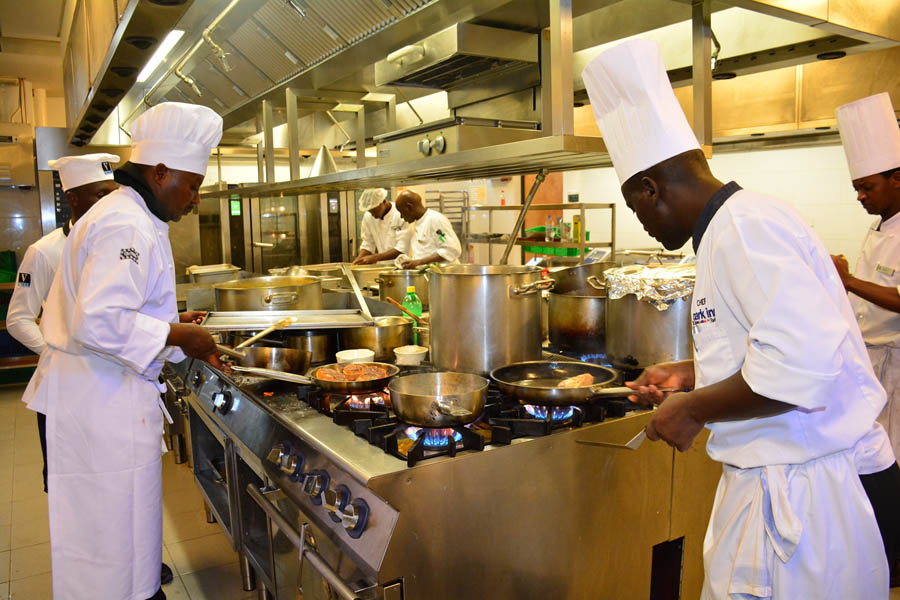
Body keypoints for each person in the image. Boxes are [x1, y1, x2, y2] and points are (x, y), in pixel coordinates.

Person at [583, 39, 890, 599]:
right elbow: (769, 348)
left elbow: (799, 370)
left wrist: (692, 408)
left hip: (801, 508)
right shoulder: (730, 229)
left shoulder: (745, 227)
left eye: (636, 208)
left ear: (652, 188)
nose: (644, 225)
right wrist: (691, 373)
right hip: (774, 490)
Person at [21, 101, 224, 600]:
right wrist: (179, 337)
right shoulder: (126, 224)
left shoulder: (131, 214)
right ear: (159, 172)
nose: (194, 200)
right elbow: (99, 322)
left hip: (106, 397)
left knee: (123, 533)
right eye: (192, 185)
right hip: (100, 403)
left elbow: (120, 311)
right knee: (106, 541)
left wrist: (171, 327)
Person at [7, 153, 119, 492]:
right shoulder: (44, 252)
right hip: (64, 387)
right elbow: (18, 319)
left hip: (110, 382)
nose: (111, 201)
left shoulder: (115, 244)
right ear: (73, 198)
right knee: (69, 483)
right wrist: (56, 352)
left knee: (112, 477)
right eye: (101, 194)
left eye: (113, 193)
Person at [831, 91, 900, 586]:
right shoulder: (881, 228)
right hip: (874, 366)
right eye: (856, 188)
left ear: (898, 178)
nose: (860, 196)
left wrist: (847, 280)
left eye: (867, 186)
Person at [393, 189, 461, 268]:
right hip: (429, 275)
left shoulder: (436, 220)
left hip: (444, 276)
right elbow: (426, 251)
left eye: (402, 212)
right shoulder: (417, 223)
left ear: (409, 207)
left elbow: (452, 250)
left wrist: (420, 262)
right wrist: (412, 261)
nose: (401, 216)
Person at [351, 188, 409, 265]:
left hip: (404, 266)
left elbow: (402, 248)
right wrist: (358, 260)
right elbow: (368, 243)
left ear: (383, 201)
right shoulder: (368, 217)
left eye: (374, 210)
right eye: (370, 211)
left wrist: (375, 257)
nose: (373, 215)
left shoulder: (400, 214)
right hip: (383, 266)